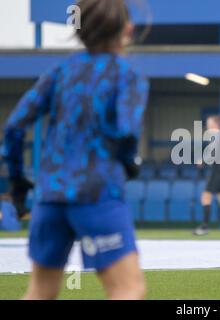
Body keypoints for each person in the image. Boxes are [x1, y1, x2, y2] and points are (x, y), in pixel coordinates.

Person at [2, 0, 149, 299]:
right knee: (127, 290)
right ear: (127, 29)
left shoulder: (60, 70)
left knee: (40, 292)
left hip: (50, 196)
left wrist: (17, 179)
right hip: (98, 193)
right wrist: (129, 162)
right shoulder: (126, 74)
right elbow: (125, 130)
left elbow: (14, 126)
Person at [194, 115, 220, 236]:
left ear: (215, 124)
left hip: (218, 171)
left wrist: (202, 160)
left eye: (209, 123)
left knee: (206, 196)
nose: (207, 125)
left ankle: (204, 227)